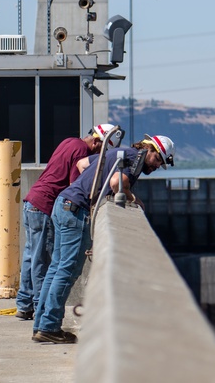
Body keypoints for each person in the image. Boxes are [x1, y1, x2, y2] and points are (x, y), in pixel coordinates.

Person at [32, 134, 175, 344]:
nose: (155, 166)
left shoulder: (119, 152)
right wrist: (133, 198)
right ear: (152, 150)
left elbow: (82, 164)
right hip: (75, 211)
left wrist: (95, 185)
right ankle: (49, 327)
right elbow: (118, 183)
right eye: (158, 160)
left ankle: (41, 324)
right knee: (67, 271)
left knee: (55, 268)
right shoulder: (136, 158)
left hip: (63, 203)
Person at [15, 123, 121, 321]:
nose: (102, 155)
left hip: (32, 201)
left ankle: (24, 303)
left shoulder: (69, 141)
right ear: (98, 142)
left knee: (31, 254)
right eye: (103, 149)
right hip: (45, 205)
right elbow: (76, 183)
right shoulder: (81, 151)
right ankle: (40, 306)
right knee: (43, 259)